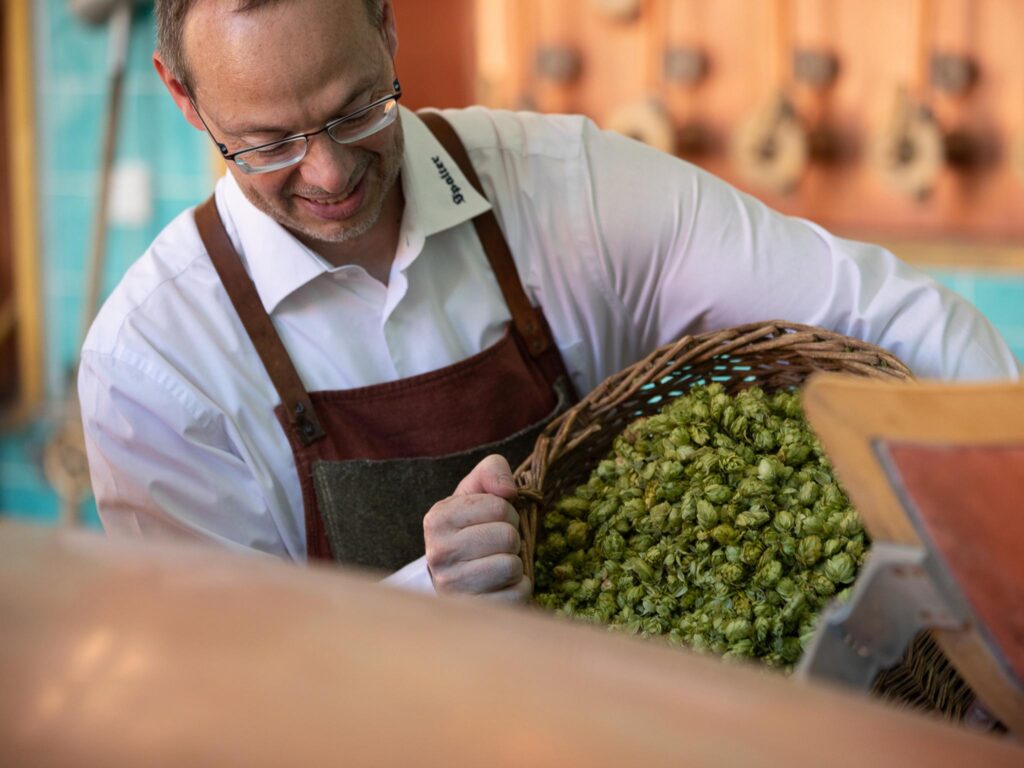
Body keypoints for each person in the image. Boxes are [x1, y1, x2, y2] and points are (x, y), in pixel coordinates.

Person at [78, 0, 1021, 599]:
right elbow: (230, 682)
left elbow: (888, 314)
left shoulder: (565, 184)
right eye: (267, 142)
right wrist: (425, 596)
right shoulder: (154, 363)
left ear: (387, 26)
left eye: (358, 109)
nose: (327, 172)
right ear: (185, 98)